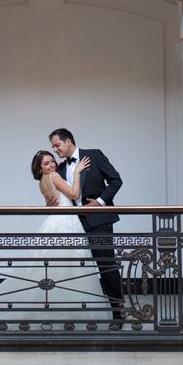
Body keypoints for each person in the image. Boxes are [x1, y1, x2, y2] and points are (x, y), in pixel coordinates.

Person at [0, 151, 111, 328]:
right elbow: (75, 195)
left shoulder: (42, 182)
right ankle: (68, 308)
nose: (52, 165)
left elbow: (52, 203)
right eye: (46, 163)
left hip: (54, 222)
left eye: (52, 161)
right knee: (69, 268)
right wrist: (76, 173)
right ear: (40, 167)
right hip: (65, 224)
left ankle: (56, 306)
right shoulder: (53, 176)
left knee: (55, 268)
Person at [49, 128, 125, 325]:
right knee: (72, 269)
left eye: (57, 145)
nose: (55, 149)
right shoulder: (60, 168)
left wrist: (100, 201)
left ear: (68, 141)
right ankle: (73, 315)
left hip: (99, 221)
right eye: (53, 147)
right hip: (73, 224)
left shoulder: (94, 155)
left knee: (106, 266)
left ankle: (118, 313)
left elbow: (116, 180)